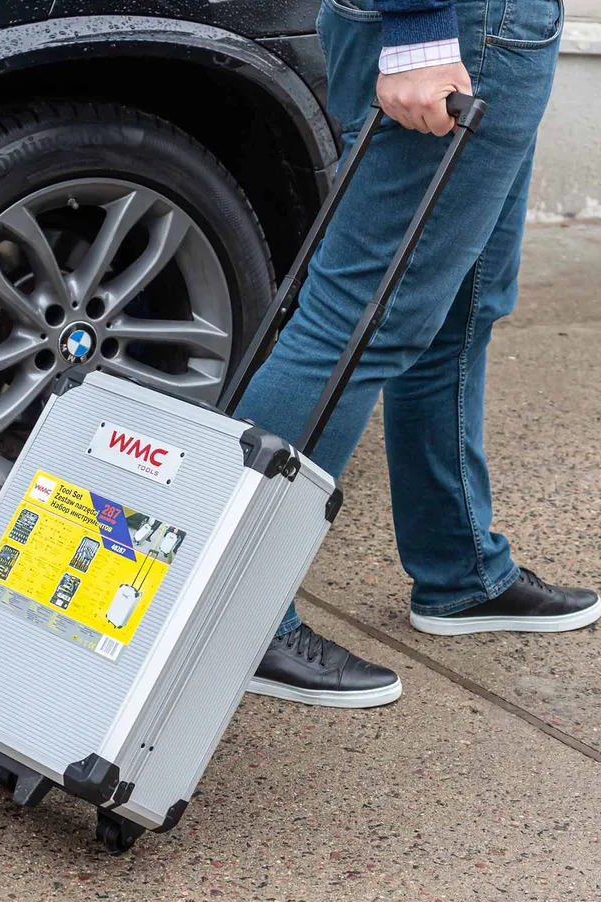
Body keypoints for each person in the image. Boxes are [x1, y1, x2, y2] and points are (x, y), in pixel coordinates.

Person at [243, 0, 600, 710]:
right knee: (356, 320)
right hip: (462, 27)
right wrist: (419, 29)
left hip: (481, 29)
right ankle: (235, 617)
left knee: (459, 308)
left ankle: (459, 571)